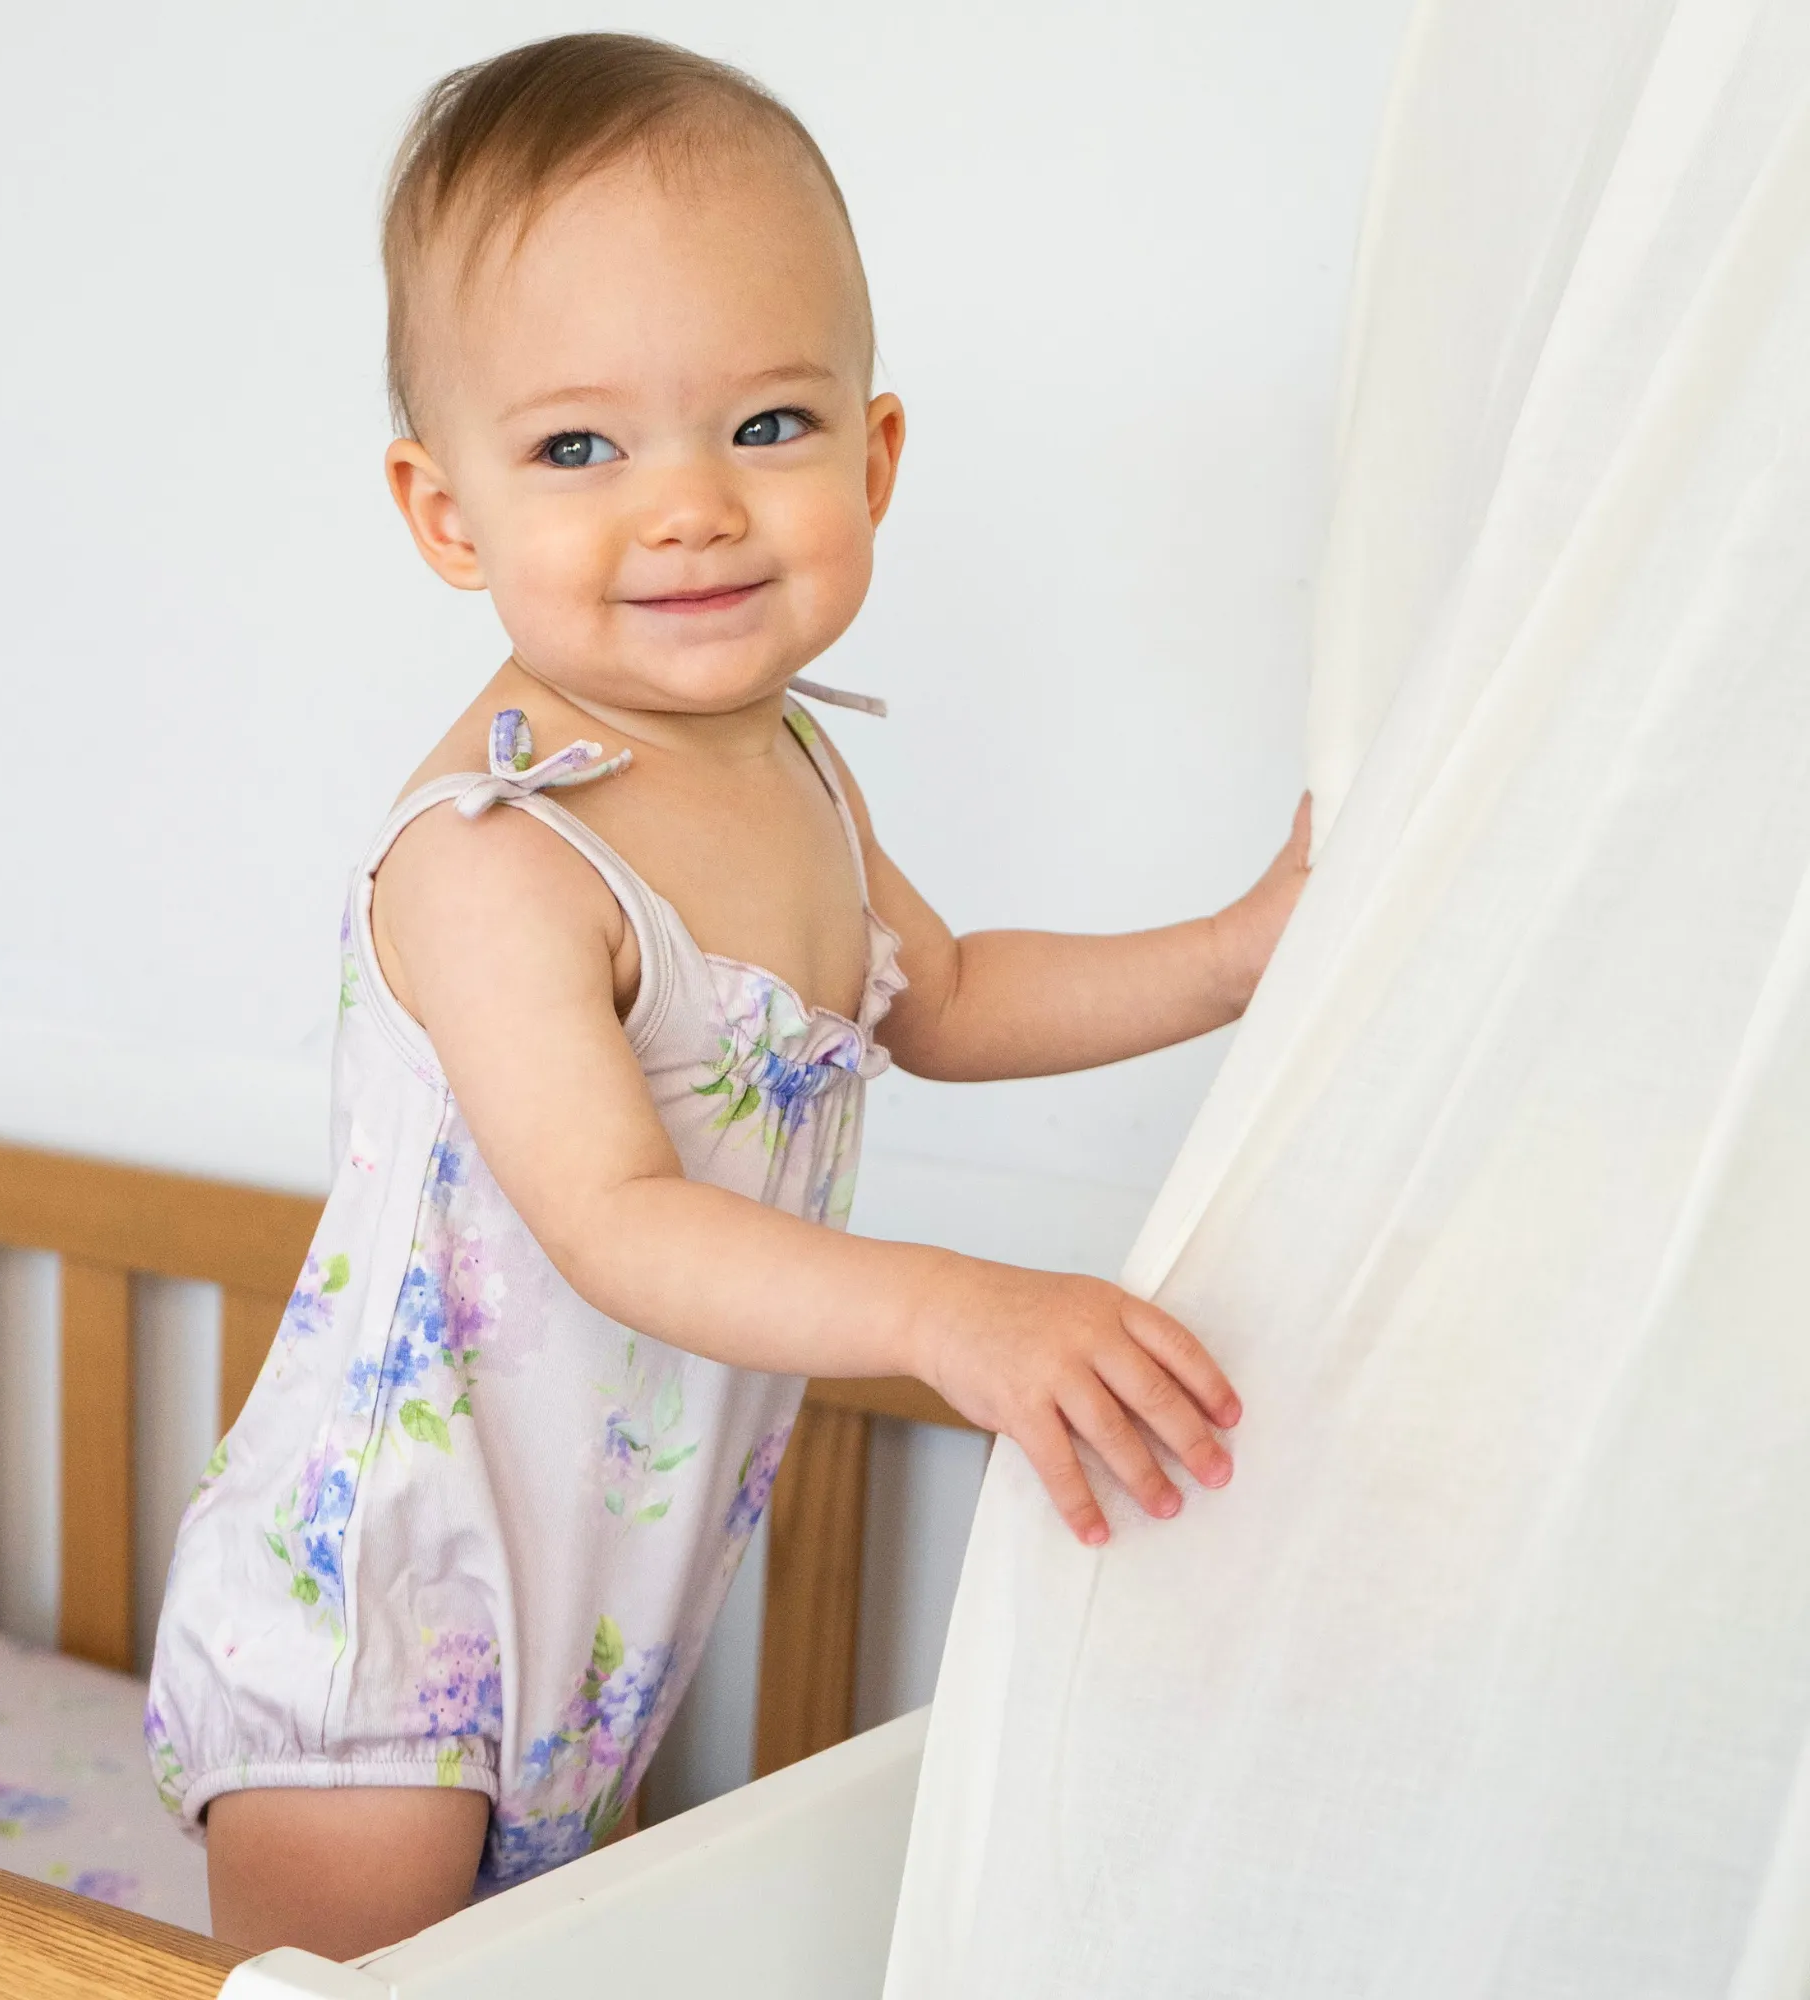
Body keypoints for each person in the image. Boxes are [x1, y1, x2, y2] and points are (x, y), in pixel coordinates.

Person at [145, 31, 1309, 1958]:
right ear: (448, 514)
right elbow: (616, 1218)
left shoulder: (795, 772)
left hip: (601, 1601)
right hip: (385, 1608)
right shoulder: (503, 856)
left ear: (877, 452)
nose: (687, 506)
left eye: (765, 428)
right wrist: (957, 1309)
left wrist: (1238, 952)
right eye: (580, 447)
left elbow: (938, 996)